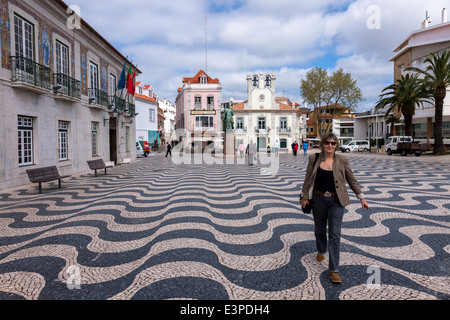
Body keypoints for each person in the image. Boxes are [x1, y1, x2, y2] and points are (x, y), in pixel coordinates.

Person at [300, 132, 370, 284]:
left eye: (333, 143)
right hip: (318, 199)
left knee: (335, 234)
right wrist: (304, 196)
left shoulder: (342, 160)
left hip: (336, 200)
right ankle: (321, 249)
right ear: (322, 144)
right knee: (319, 229)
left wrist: (361, 197)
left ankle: (334, 270)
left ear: (336, 145)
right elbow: (307, 179)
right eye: (327, 143)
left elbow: (352, 179)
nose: (330, 145)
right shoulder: (314, 158)